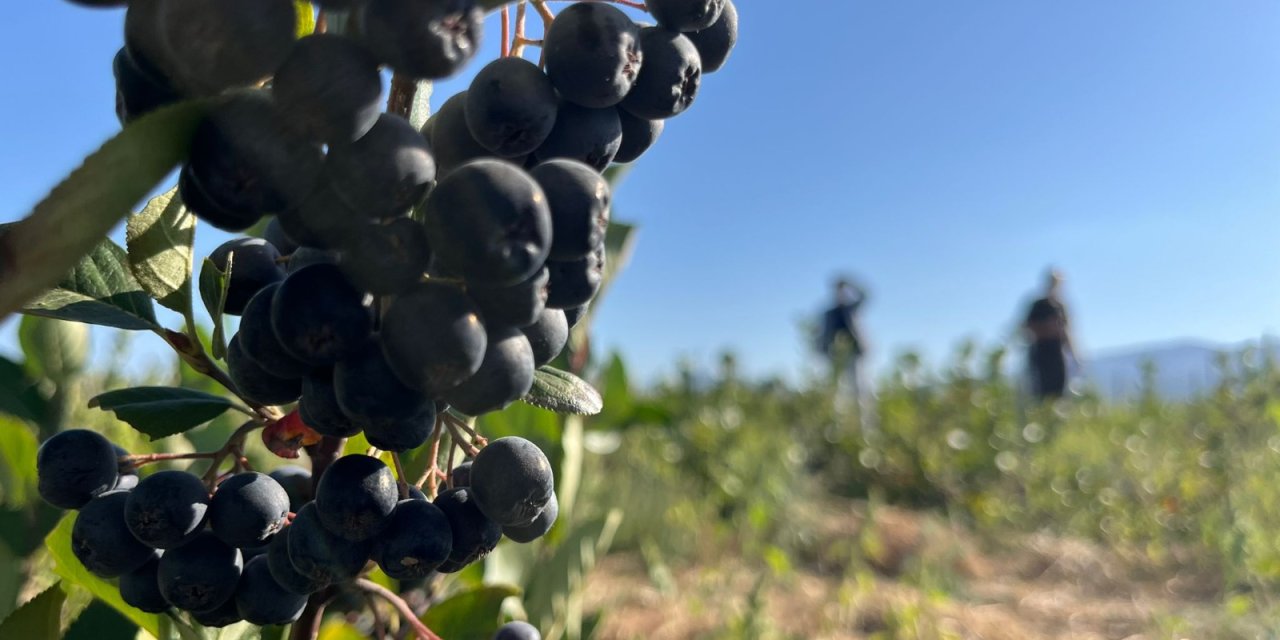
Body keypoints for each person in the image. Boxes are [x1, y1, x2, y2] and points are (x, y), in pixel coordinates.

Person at [1022, 268, 1078, 399]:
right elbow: (1026, 328)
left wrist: (1074, 355)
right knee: (1041, 392)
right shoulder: (1038, 306)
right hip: (1041, 352)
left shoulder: (1061, 307)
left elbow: (1067, 330)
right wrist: (1047, 328)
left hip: (1058, 353)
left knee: (1059, 391)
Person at [817, 277, 869, 401]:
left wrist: (850, 284)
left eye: (842, 291)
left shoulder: (851, 309)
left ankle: (862, 413)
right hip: (835, 354)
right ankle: (835, 413)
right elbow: (823, 334)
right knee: (835, 385)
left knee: (858, 384)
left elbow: (865, 295)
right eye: (838, 291)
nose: (840, 294)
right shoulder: (830, 313)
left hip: (853, 352)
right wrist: (822, 349)